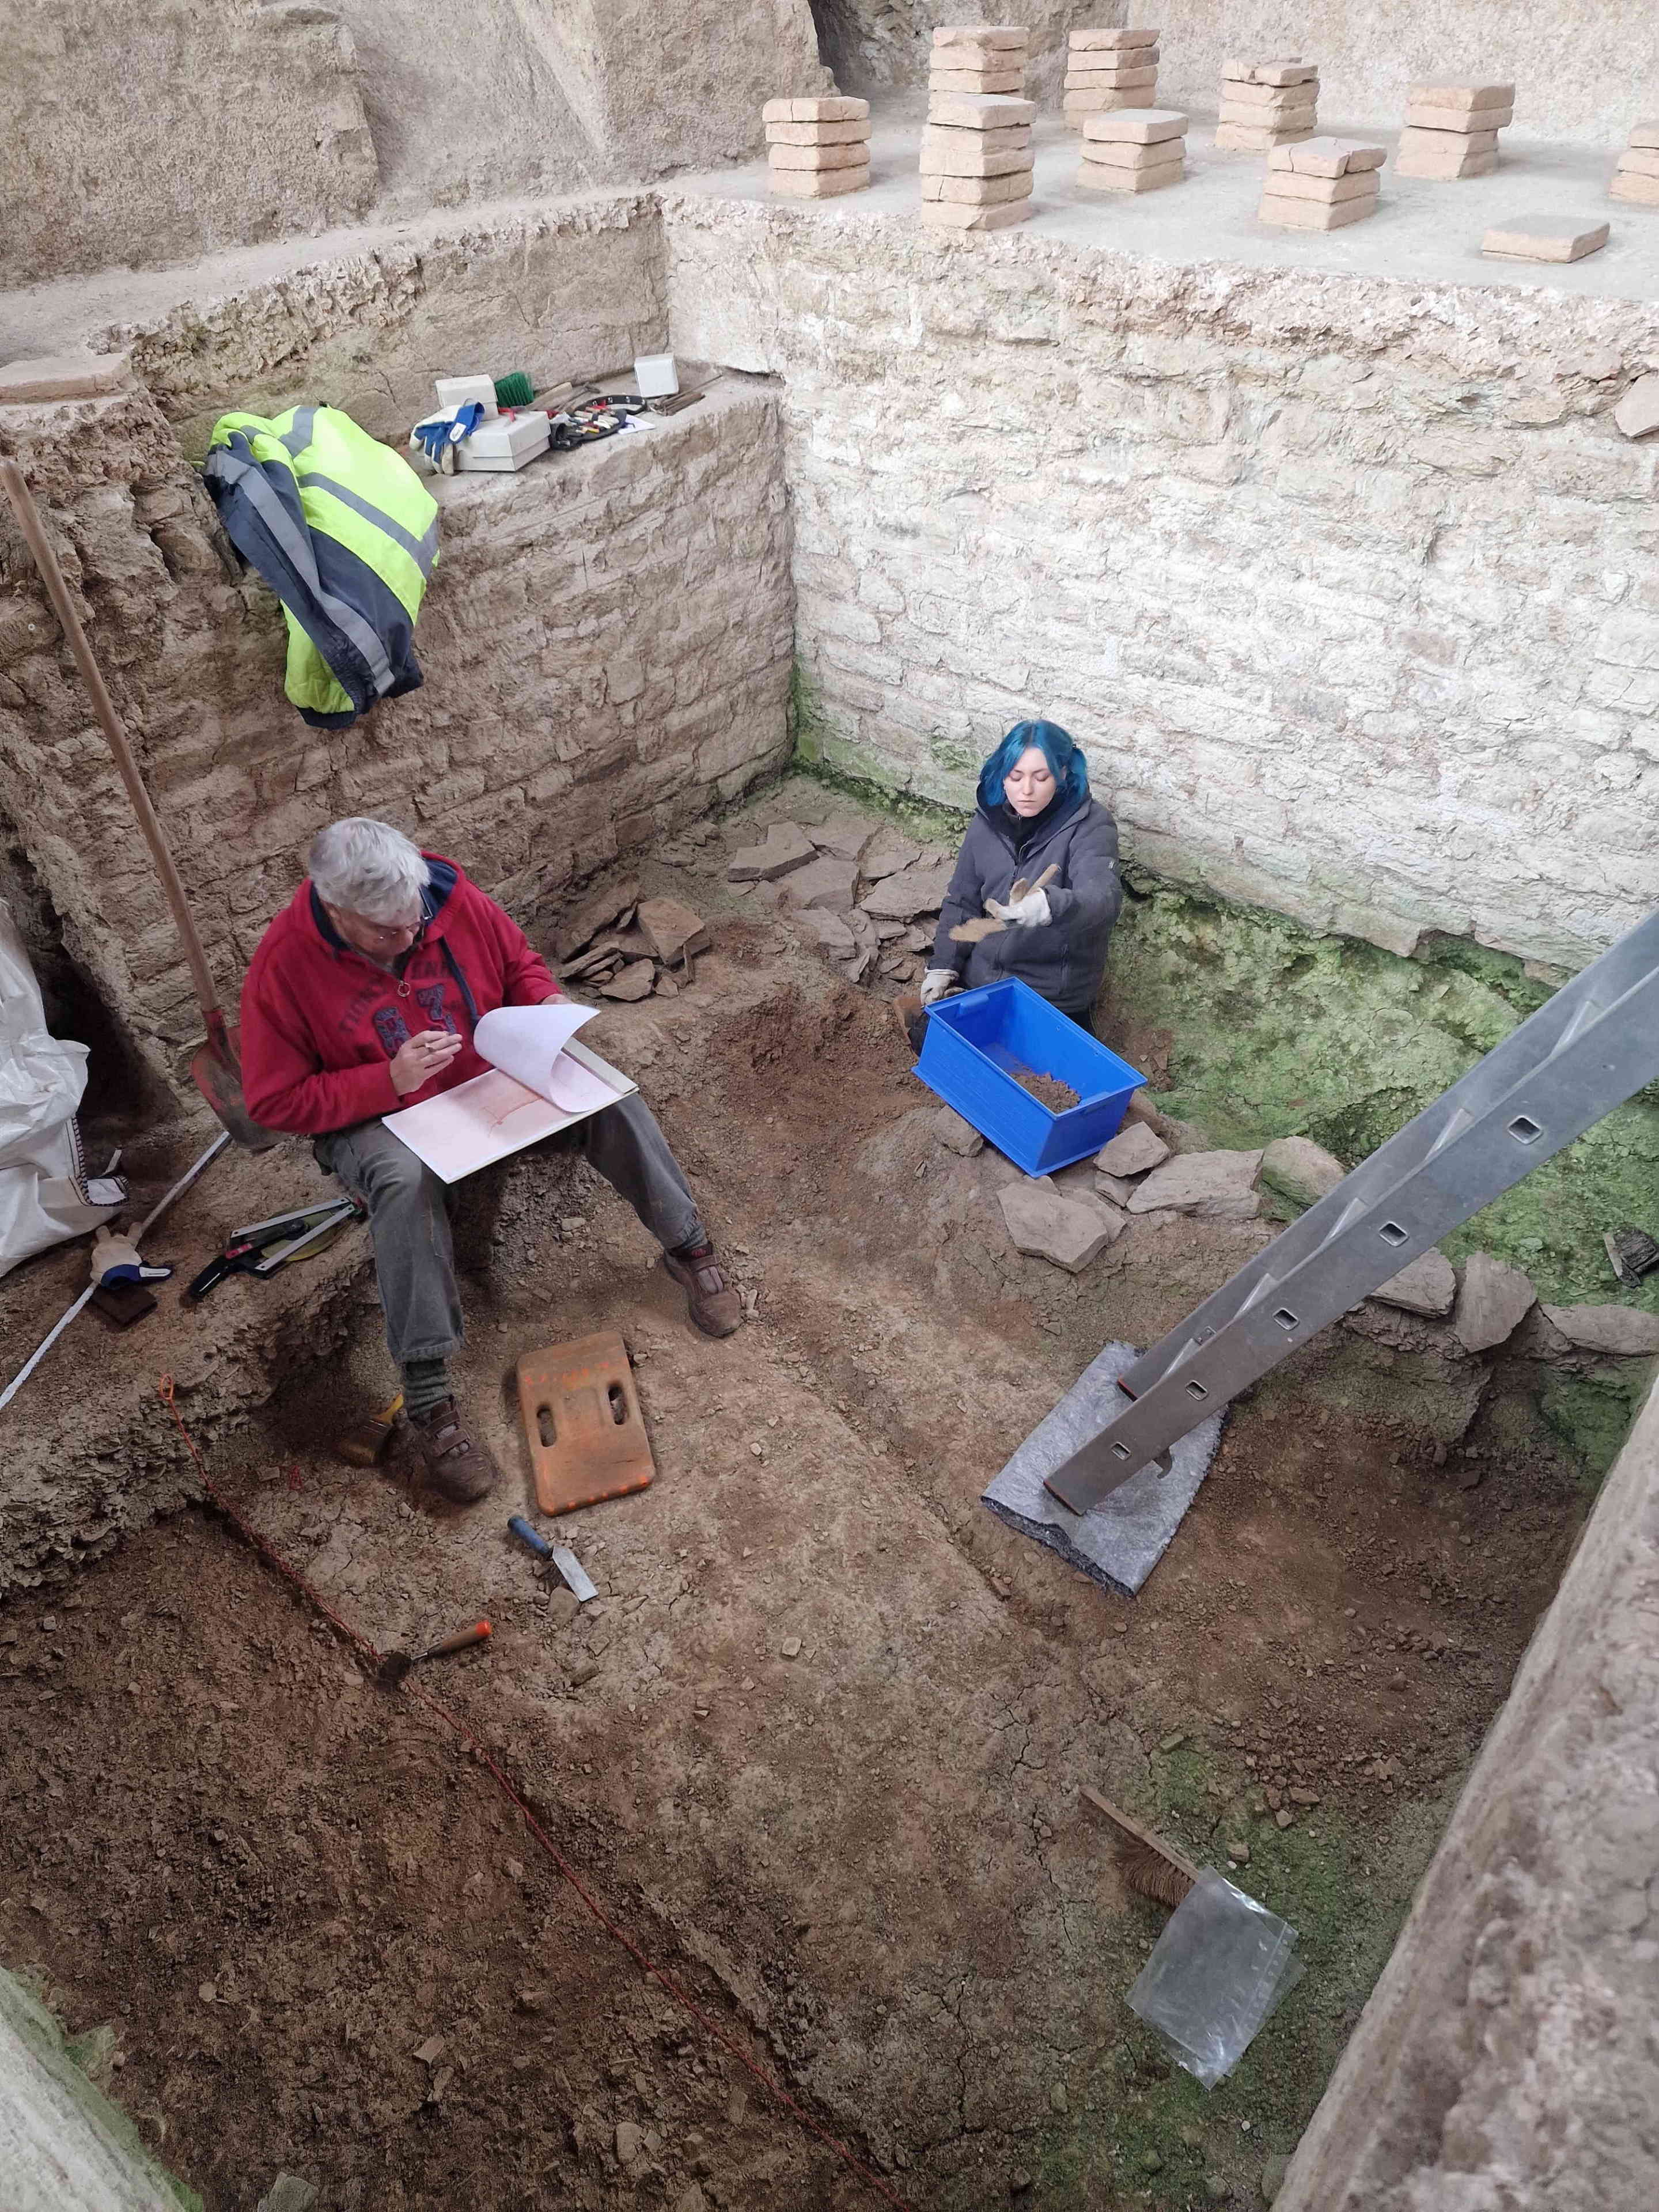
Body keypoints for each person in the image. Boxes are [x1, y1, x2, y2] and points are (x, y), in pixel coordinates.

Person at [240, 819, 740, 1505]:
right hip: (382, 1115)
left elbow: (520, 968)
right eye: (387, 933)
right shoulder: (283, 965)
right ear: (337, 912)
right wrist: (384, 1082)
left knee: (608, 1095)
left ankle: (689, 1246)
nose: (410, 939)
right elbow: (273, 1102)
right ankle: (429, 1399)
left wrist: (545, 1006)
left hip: (489, 1079)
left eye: (414, 922)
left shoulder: (444, 896)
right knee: (402, 1181)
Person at [903, 719, 1122, 1043]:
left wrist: (1050, 906)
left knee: (1046, 1077)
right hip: (984, 983)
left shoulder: (1090, 826)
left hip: (1049, 993)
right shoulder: (988, 821)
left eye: (1041, 777)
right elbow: (961, 899)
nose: (1026, 790)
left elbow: (1103, 898)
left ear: (1063, 774)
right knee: (930, 1043)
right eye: (1015, 777)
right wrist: (943, 966)